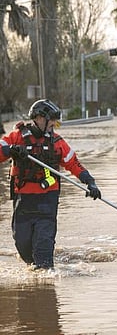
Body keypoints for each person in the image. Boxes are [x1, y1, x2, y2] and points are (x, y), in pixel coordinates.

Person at [0, 99, 101, 270]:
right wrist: (11, 150)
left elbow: (73, 163)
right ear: (38, 118)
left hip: (47, 200)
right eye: (51, 119)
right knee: (23, 246)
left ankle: (46, 283)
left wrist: (90, 182)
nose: (54, 123)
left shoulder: (57, 142)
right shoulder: (17, 137)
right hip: (23, 200)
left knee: (43, 251)